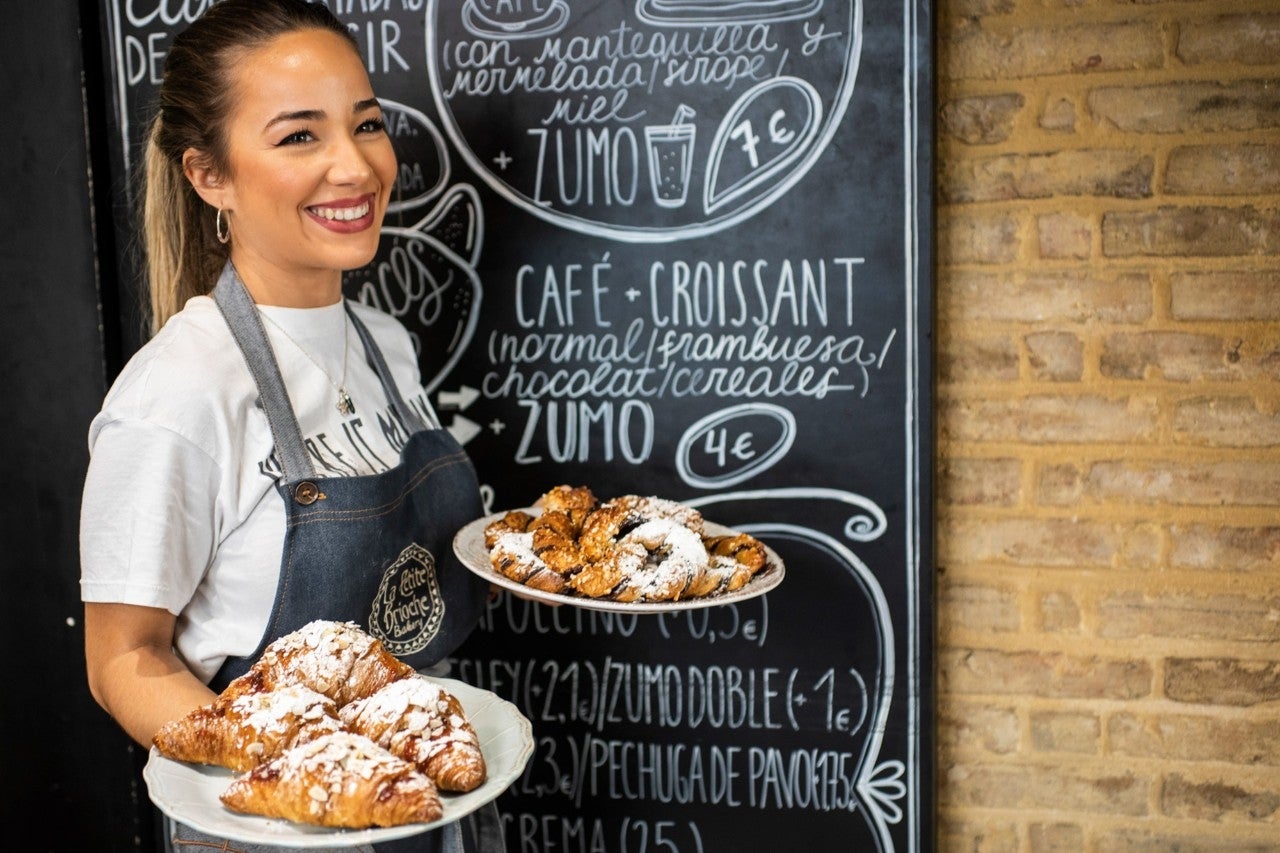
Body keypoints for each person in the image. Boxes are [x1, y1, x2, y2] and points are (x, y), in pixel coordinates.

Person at [78, 2, 497, 850]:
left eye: (366, 124)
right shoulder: (179, 392)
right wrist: (312, 769)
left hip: (430, 790)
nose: (356, 166)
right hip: (275, 820)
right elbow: (122, 660)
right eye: (300, 136)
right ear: (210, 176)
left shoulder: (387, 344)